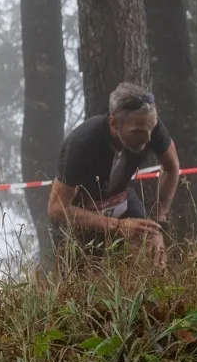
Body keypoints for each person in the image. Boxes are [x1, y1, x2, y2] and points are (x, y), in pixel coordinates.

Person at [49, 82, 181, 264]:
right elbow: (57, 208)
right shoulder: (81, 142)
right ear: (114, 122)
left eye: (151, 129)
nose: (147, 138)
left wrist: (159, 217)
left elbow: (172, 167)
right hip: (81, 210)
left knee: (153, 251)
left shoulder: (149, 125)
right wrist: (117, 227)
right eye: (138, 131)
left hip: (121, 197)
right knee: (81, 274)